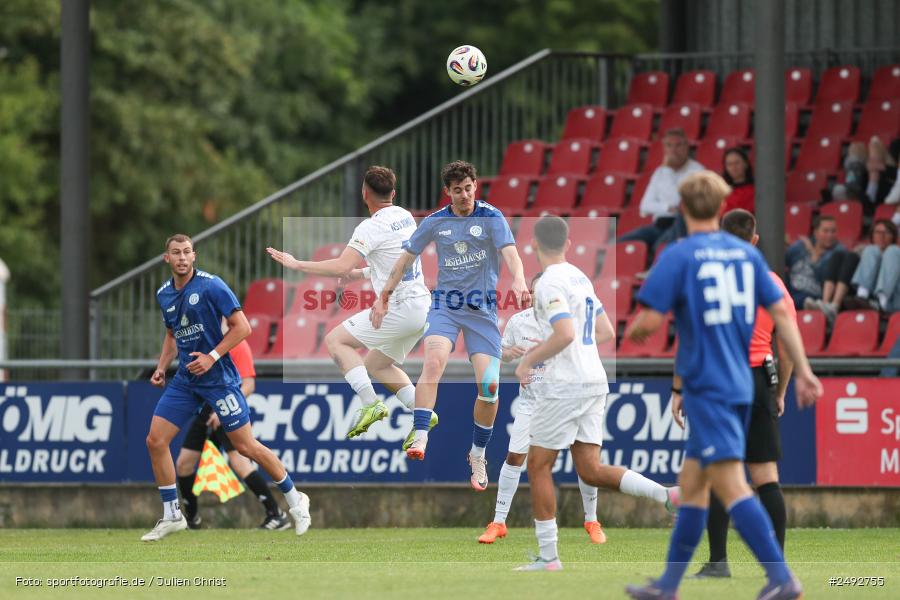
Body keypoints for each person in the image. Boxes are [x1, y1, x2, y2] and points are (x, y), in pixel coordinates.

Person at [623, 172, 822, 600]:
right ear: (718, 207)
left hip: (708, 383)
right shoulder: (749, 259)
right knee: (693, 486)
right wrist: (804, 371)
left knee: (732, 484)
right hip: (743, 378)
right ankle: (669, 585)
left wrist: (634, 330)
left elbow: (651, 322)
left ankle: (783, 579)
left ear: (682, 209)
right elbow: (784, 319)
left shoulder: (679, 255)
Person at [512, 216, 680, 571]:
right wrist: (562, 343)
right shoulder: (580, 277)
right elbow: (604, 331)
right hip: (593, 380)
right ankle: (665, 494)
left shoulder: (549, 284)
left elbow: (566, 334)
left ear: (533, 245)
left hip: (564, 385)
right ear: (568, 243)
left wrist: (530, 358)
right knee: (589, 469)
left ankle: (549, 557)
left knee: (538, 465)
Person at [143, 234, 311, 541]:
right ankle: (172, 515)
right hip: (186, 381)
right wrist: (161, 367)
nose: (182, 257)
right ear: (167, 259)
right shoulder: (164, 294)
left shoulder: (211, 285)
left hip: (219, 380)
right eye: (176, 253)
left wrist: (212, 356)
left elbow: (243, 327)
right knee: (155, 440)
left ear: (194, 256)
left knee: (246, 448)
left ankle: (296, 501)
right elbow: (171, 335)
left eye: (186, 252)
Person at [375, 160, 530, 491]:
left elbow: (511, 253)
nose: (464, 195)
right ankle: (419, 435)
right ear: (448, 192)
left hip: (482, 312)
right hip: (445, 306)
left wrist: (518, 279)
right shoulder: (436, 222)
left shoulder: (490, 217)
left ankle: (477, 454)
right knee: (433, 363)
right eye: (457, 190)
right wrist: (384, 294)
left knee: (489, 390)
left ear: (477, 186)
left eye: (468, 188)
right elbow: (405, 259)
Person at [267, 166, 433, 439]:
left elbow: (340, 265)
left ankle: (370, 404)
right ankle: (422, 410)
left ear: (364, 193)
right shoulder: (405, 216)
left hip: (398, 307)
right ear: (393, 192)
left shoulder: (370, 227)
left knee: (335, 341)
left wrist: (296, 263)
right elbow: (399, 261)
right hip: (421, 308)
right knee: (376, 365)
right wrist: (362, 274)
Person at [692, 208, 797, 578]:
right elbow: (786, 348)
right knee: (765, 474)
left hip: (721, 380)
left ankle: (718, 562)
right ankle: (775, 565)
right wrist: (780, 391)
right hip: (759, 380)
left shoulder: (709, 281)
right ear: (754, 240)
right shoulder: (773, 285)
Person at [477, 273, 609, 545]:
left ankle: (592, 520)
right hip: (531, 401)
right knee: (515, 456)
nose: (537, 297)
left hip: (564, 398)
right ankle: (498, 522)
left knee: (585, 461)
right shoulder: (518, 321)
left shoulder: (563, 320)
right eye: (534, 292)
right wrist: (508, 353)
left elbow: (582, 343)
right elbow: (498, 353)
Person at [174, 330, 290, 530]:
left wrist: (222, 410)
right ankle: (192, 521)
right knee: (184, 464)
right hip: (205, 409)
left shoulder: (237, 343)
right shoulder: (204, 339)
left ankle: (276, 514)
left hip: (227, 408)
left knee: (241, 464)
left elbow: (249, 384)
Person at [618, 128, 704, 251]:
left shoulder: (698, 172)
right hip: (658, 226)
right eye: (669, 146)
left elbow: (679, 204)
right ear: (664, 149)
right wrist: (668, 208)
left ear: (686, 147)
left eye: (678, 145)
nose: (673, 150)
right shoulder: (659, 172)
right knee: (620, 244)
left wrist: (668, 170)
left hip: (681, 227)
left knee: (658, 247)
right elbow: (645, 206)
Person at [785, 215, 845, 309]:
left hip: (814, 296)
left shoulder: (838, 252)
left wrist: (813, 254)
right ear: (816, 232)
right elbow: (781, 260)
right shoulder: (801, 246)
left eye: (833, 231)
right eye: (825, 231)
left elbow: (824, 277)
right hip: (792, 290)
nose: (830, 235)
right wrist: (783, 245)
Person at [849, 219, 900, 312]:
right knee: (871, 249)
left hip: (894, 299)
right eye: (878, 232)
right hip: (871, 298)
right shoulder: (865, 250)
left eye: (887, 232)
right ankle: (861, 297)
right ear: (872, 235)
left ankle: (882, 303)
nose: (882, 236)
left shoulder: (896, 252)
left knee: (892, 251)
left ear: (893, 236)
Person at [721, 148, 755, 214]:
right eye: (729, 164)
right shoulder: (722, 191)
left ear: (746, 164)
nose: (733, 167)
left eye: (737, 163)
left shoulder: (757, 190)